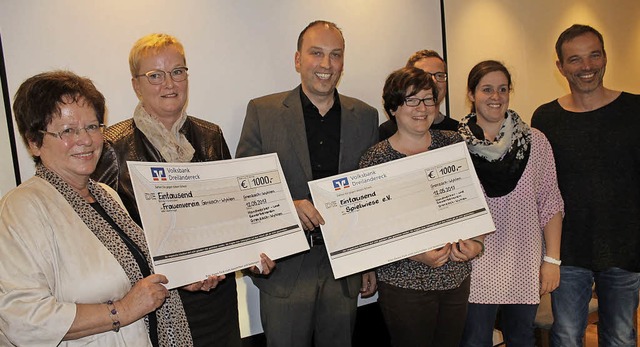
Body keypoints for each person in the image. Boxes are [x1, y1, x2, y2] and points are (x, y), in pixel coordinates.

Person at [92, 33, 274, 347]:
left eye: (178, 72)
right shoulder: (112, 146)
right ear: (136, 85)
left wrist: (251, 254)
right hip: (158, 304)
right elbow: (108, 239)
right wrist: (178, 275)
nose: (170, 84)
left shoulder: (210, 134)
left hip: (218, 300)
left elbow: (234, 213)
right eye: (155, 76)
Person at [0, 70, 194, 346]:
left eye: (92, 126)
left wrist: (187, 276)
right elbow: (21, 319)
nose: (85, 140)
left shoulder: (106, 196)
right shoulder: (20, 208)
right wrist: (123, 311)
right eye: (67, 130)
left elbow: (137, 275)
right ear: (34, 142)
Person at [235, 20, 379, 346]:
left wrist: (369, 262)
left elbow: (368, 194)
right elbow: (247, 189)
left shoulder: (366, 116)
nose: (326, 65)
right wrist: (289, 206)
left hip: (343, 268)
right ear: (298, 60)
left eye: (335, 55)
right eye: (316, 53)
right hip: (286, 269)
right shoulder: (263, 112)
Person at [359, 66, 485, 347]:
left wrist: (477, 244)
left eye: (428, 99)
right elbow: (371, 232)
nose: (421, 108)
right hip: (405, 284)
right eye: (410, 100)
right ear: (393, 108)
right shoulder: (376, 159)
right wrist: (415, 254)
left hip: (456, 278)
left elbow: (475, 203)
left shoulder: (452, 144)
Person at [531, 24, 640, 347]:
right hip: (568, 253)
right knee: (565, 337)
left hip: (625, 250)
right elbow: (542, 189)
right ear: (561, 67)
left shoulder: (636, 110)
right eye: (575, 59)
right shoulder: (546, 118)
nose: (587, 66)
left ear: (605, 57)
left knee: (620, 337)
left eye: (594, 55)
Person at [457, 60, 564, 347]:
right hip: (473, 265)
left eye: (502, 89)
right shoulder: (454, 147)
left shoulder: (536, 142)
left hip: (524, 262)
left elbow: (551, 204)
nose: (496, 97)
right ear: (471, 94)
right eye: (487, 89)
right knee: (475, 341)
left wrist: (552, 261)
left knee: (521, 340)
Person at [378, 50, 458, 141]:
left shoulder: (457, 131)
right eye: (425, 75)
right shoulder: (386, 132)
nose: (434, 81)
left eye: (439, 75)